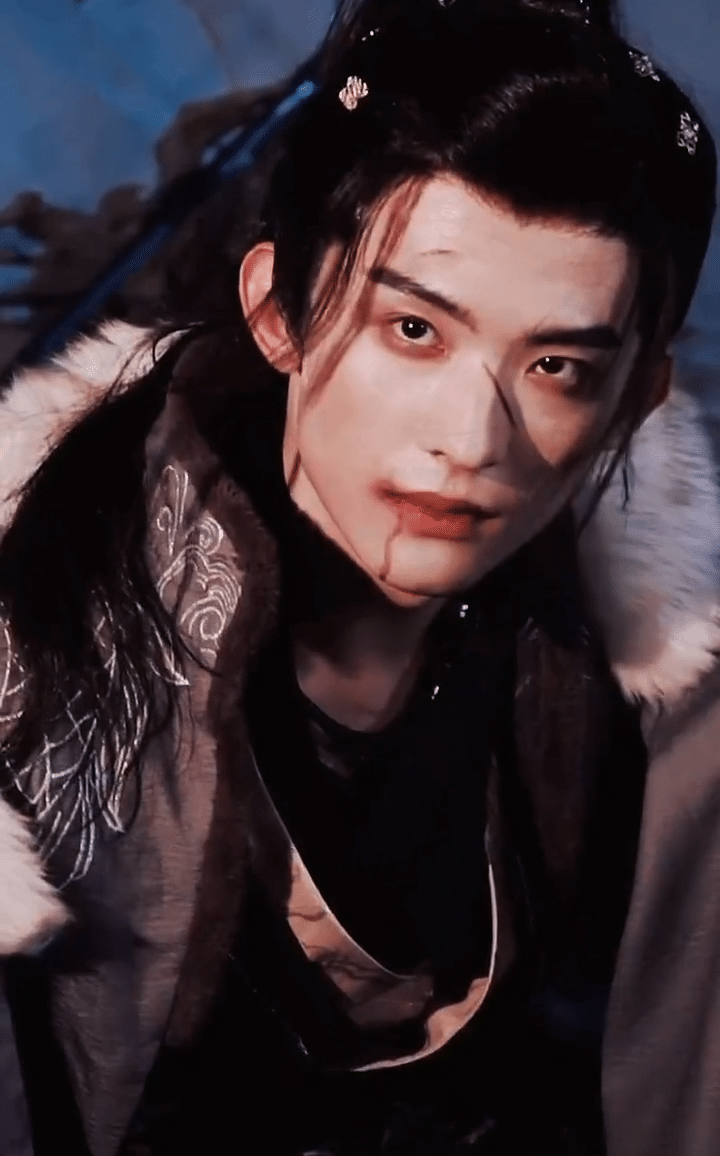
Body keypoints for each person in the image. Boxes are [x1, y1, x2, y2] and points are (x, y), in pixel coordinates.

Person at [0, 0, 716, 1153]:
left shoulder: (660, 692)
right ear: (277, 309)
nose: (471, 441)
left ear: (636, 399)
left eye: (558, 366)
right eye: (414, 332)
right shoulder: (37, 634)